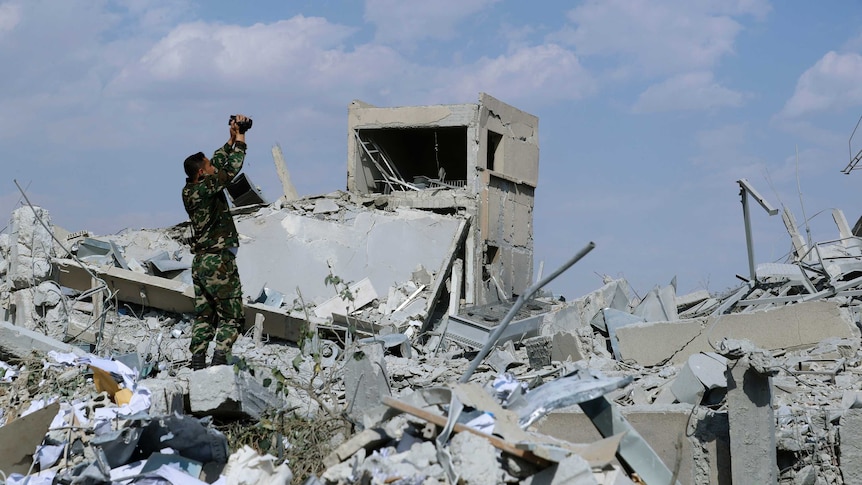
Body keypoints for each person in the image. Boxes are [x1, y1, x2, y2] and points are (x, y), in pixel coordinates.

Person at [181, 114, 250, 370]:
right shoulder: (207, 187)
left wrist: (231, 137)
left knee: (205, 317)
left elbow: (217, 164)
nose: (212, 167)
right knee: (231, 316)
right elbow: (229, 170)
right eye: (208, 166)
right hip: (218, 261)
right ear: (202, 172)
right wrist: (241, 139)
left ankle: (197, 364)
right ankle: (220, 363)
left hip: (200, 262)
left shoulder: (190, 189)